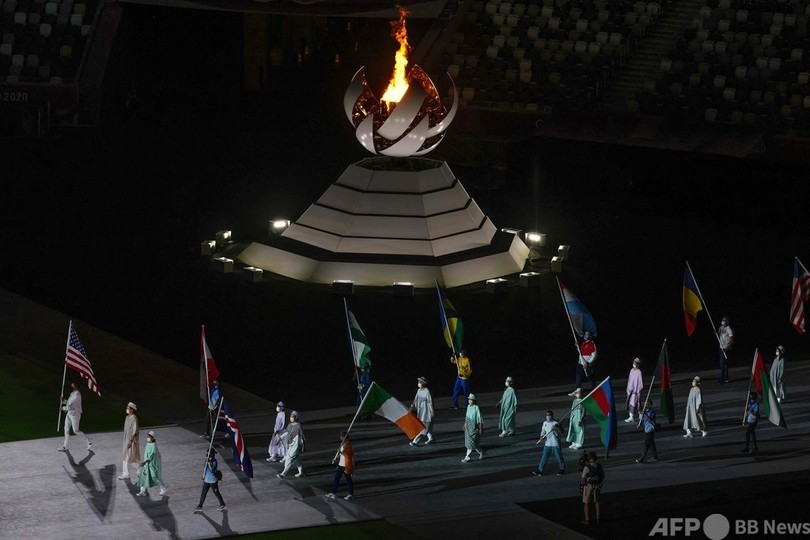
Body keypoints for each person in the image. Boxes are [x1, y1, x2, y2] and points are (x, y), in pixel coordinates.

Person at [59, 381, 92, 452]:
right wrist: (63, 400)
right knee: (66, 429)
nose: (71, 386)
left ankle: (88, 440)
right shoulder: (72, 393)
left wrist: (63, 408)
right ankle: (65, 446)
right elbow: (68, 403)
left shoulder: (77, 395)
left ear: (76, 387)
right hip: (69, 414)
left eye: (73, 385)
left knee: (76, 431)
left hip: (75, 415)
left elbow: (70, 406)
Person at [533, 410, 565, 476]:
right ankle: (540, 470)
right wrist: (541, 437)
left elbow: (562, 432)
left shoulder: (556, 423)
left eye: (549, 415)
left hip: (555, 444)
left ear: (552, 416)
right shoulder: (544, 423)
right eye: (547, 415)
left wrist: (558, 427)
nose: (548, 416)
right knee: (544, 458)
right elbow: (543, 431)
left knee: (559, 457)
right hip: (547, 444)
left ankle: (562, 469)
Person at [137, 430, 168, 496]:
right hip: (146, 464)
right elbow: (146, 454)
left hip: (152, 464)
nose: (147, 438)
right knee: (143, 477)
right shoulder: (148, 444)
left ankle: (163, 488)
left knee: (155, 477)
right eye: (147, 436)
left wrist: (144, 462)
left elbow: (151, 457)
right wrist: (144, 462)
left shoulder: (154, 446)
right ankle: (142, 491)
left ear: (153, 438)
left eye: (149, 437)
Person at [326, 431, 354, 501]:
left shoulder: (348, 445)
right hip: (340, 464)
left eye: (342, 437)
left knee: (348, 480)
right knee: (336, 478)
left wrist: (342, 452)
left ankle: (350, 493)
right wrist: (336, 458)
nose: (341, 438)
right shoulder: (342, 444)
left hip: (346, 465)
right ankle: (333, 492)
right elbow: (341, 454)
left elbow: (348, 455)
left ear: (345, 437)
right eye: (340, 436)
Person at [277, 410, 305, 478]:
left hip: (296, 445)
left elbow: (302, 436)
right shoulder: (289, 425)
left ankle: (283, 473)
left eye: (293, 417)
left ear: (296, 418)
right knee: (296, 459)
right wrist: (279, 439)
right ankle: (301, 472)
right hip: (290, 444)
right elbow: (286, 433)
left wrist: (303, 446)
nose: (291, 418)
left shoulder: (298, 426)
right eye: (291, 416)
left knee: (289, 458)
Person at [569, 331, 596, 396]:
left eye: (587, 334)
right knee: (578, 375)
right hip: (581, 363)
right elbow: (580, 352)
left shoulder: (592, 344)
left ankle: (594, 391)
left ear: (590, 336)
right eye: (585, 334)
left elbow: (594, 355)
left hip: (587, 364)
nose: (586, 335)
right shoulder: (583, 343)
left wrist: (588, 363)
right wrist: (577, 346)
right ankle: (578, 391)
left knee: (590, 377)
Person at [118, 402, 141, 480]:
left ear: (132, 409)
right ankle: (140, 467)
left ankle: (126, 473)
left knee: (127, 457)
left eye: (128, 408)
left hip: (131, 441)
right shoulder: (127, 417)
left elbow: (134, 431)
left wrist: (130, 442)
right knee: (128, 457)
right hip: (126, 440)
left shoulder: (134, 419)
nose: (127, 409)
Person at [580, 451, 603, 525]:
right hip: (597, 485)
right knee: (597, 502)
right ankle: (598, 518)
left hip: (589, 486)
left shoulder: (587, 467)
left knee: (586, 502)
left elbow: (583, 479)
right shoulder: (599, 466)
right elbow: (603, 476)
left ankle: (587, 519)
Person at [410, 376, 434, 446]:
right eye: (418, 382)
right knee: (427, 427)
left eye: (420, 382)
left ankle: (415, 441)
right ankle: (431, 438)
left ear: (424, 383)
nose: (418, 383)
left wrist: (432, 412)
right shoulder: (418, 390)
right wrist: (412, 406)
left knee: (423, 427)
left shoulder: (427, 391)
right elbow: (415, 399)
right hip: (421, 412)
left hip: (427, 413)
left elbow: (430, 402)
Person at [461, 393, 484, 462]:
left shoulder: (476, 408)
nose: (470, 401)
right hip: (468, 427)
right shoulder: (468, 407)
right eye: (469, 400)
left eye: (471, 400)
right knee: (471, 443)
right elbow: (467, 417)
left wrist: (480, 428)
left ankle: (467, 456)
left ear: (474, 401)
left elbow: (479, 418)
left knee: (471, 443)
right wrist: (464, 425)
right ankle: (481, 452)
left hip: (474, 427)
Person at [625, 358, 643, 423]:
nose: (633, 364)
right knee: (630, 402)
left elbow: (640, 382)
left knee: (636, 402)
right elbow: (630, 380)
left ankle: (640, 415)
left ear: (637, 365)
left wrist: (639, 391)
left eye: (635, 363)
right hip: (630, 390)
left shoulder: (639, 372)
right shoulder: (631, 370)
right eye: (633, 363)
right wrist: (629, 388)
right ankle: (631, 416)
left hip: (636, 390)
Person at [717, 316, 734, 383]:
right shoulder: (721, 327)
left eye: (724, 320)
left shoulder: (729, 329)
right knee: (724, 363)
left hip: (726, 349)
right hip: (721, 348)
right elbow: (719, 335)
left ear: (727, 321)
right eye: (722, 320)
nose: (723, 321)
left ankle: (722, 378)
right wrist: (716, 332)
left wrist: (726, 348)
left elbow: (731, 340)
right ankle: (726, 378)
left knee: (723, 363)